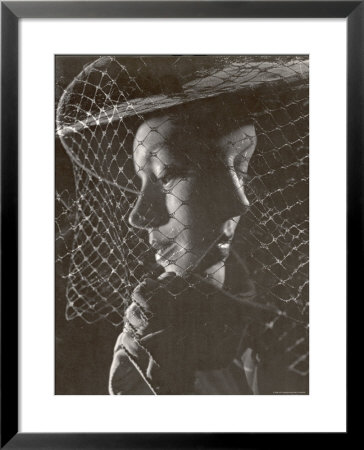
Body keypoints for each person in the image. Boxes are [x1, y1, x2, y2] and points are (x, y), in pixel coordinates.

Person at [56, 56, 309, 395]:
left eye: (168, 175)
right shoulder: (149, 345)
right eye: (146, 181)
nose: (139, 216)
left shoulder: (290, 322)